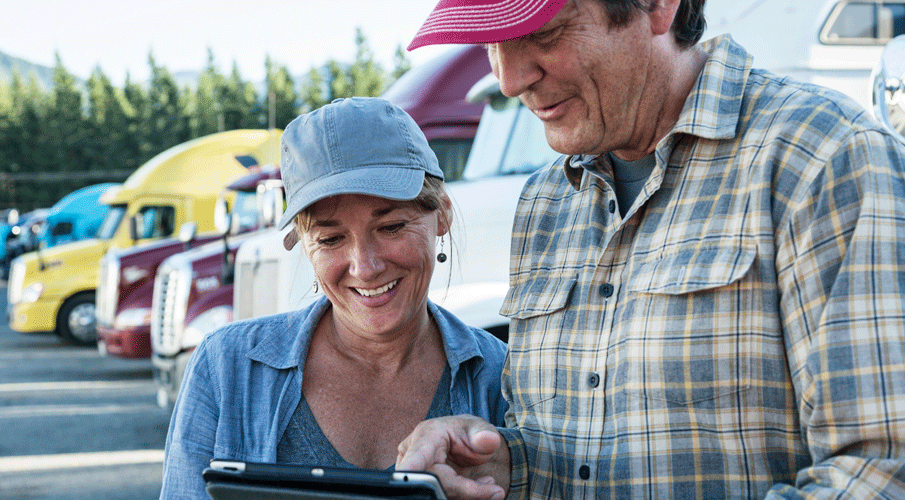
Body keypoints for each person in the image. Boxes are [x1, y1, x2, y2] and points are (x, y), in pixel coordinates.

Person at [396, 0, 905, 499]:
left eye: (543, 33)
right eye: (492, 42)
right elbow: (578, 456)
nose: (509, 80)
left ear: (659, 7)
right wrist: (499, 465)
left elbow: (880, 471)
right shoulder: (543, 202)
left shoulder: (823, 155)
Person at [160, 97, 509, 498]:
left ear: (442, 214)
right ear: (303, 245)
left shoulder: (498, 379)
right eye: (330, 239)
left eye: (392, 226)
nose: (364, 266)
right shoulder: (225, 369)